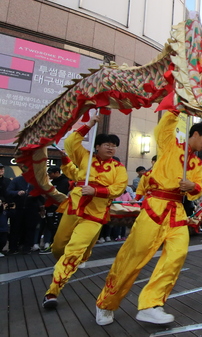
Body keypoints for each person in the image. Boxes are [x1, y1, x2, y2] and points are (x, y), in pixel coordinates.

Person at [95, 110, 202, 326]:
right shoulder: (170, 145)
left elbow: (199, 186)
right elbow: (164, 127)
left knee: (177, 255)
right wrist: (176, 108)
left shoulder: (196, 164)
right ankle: (106, 303)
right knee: (134, 257)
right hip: (154, 208)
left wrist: (193, 186)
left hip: (177, 210)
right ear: (194, 134)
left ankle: (151, 304)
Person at [42, 114, 128, 309]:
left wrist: (97, 190)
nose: (110, 147)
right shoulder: (85, 158)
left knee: (74, 250)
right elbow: (71, 142)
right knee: (58, 247)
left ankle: (52, 291)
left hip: (94, 215)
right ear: (97, 146)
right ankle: (80, 256)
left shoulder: (118, 167)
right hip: (74, 208)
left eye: (113, 145)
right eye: (106, 144)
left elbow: (119, 187)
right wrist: (89, 124)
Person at [6, 167, 43, 254]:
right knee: (15, 228)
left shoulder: (36, 182)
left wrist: (34, 196)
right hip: (18, 208)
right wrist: (17, 193)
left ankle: (27, 247)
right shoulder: (17, 180)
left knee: (30, 228)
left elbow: (42, 193)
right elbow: (9, 191)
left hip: (31, 208)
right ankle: (13, 248)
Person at [41, 167, 70, 251]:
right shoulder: (52, 182)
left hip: (59, 208)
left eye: (50, 173)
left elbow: (60, 195)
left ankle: (58, 245)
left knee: (56, 226)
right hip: (50, 207)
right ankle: (53, 243)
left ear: (57, 173)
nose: (49, 175)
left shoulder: (64, 182)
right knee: (51, 226)